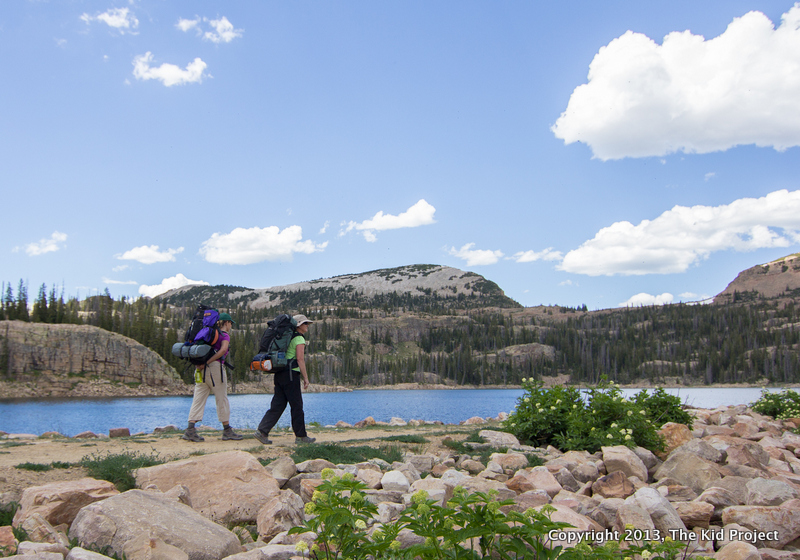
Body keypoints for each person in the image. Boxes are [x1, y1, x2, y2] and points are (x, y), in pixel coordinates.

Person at [254, 314, 316, 444]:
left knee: (278, 405)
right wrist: (305, 377)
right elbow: (300, 359)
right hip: (291, 375)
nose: (307, 326)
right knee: (297, 406)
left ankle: (262, 431)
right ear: (299, 325)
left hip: (280, 373)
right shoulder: (299, 338)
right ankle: (301, 436)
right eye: (305, 323)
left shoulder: (286, 337)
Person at [182, 312, 243, 442]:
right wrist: (209, 362)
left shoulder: (208, 334)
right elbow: (223, 350)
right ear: (226, 323)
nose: (231, 326)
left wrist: (202, 364)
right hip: (215, 368)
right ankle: (227, 430)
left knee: (198, 398)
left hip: (200, 369)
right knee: (222, 398)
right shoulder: (224, 335)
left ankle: (190, 430)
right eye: (230, 323)